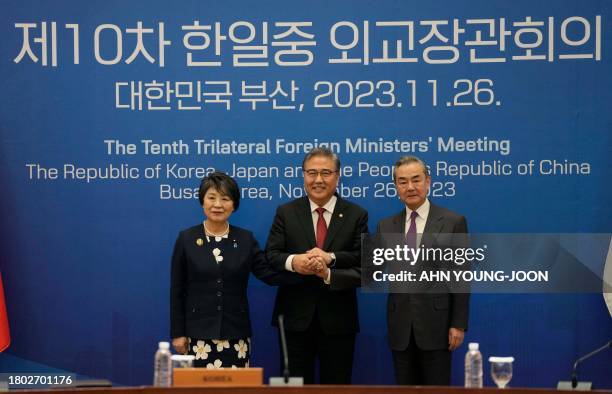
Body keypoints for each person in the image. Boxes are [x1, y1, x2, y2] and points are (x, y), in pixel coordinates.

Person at [170, 172, 301, 369]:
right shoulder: (186, 239)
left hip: (236, 334)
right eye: (211, 197)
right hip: (196, 335)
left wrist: (305, 273)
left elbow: (268, 274)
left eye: (225, 198)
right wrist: (178, 333)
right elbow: (177, 290)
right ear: (202, 201)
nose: (217, 205)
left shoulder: (245, 239)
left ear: (234, 204)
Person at [265, 147, 368, 384]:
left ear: (337, 176)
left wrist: (329, 264)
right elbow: (271, 255)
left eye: (325, 173)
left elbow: (366, 265)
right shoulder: (286, 212)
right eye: (312, 173)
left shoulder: (356, 214)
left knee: (338, 386)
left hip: (339, 321)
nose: (318, 180)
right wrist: (294, 262)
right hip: (294, 319)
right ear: (303, 176)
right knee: (295, 387)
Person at [377, 155, 470, 385]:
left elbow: (461, 275)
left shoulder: (452, 221)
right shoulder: (385, 225)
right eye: (402, 181)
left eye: (416, 180)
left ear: (428, 182)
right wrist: (330, 263)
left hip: (437, 326)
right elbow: (368, 269)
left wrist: (458, 323)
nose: (410, 187)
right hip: (400, 328)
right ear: (396, 187)